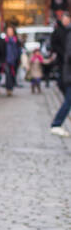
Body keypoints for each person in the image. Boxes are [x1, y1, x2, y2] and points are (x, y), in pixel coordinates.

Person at [47, 8, 71, 136]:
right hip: (67, 71)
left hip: (66, 70)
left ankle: (57, 123)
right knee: (68, 100)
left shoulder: (67, 32)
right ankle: (57, 123)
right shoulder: (66, 33)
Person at [4, 24, 22, 92]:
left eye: (10, 31)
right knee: (7, 74)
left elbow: (19, 51)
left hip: (14, 60)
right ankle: (9, 88)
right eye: (8, 31)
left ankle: (11, 86)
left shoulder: (16, 40)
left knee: (12, 74)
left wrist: (18, 58)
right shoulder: (4, 40)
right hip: (6, 60)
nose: (9, 32)